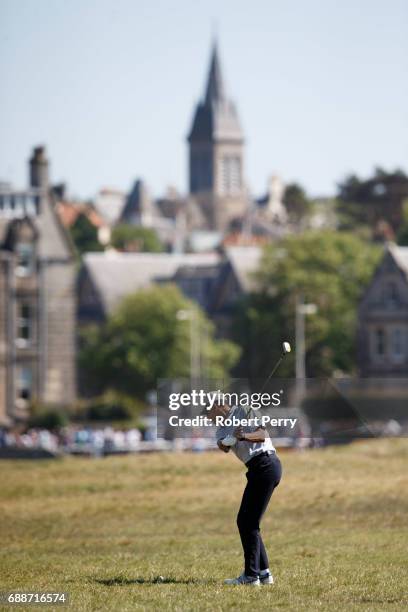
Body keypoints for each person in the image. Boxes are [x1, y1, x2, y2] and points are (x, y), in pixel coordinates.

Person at [208, 401, 282, 586]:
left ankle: (251, 576)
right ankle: (264, 574)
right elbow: (222, 445)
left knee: (246, 522)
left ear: (218, 405)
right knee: (250, 522)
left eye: (207, 411)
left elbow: (261, 434)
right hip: (256, 469)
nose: (206, 417)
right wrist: (231, 437)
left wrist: (244, 436)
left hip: (266, 464)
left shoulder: (245, 410)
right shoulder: (220, 428)